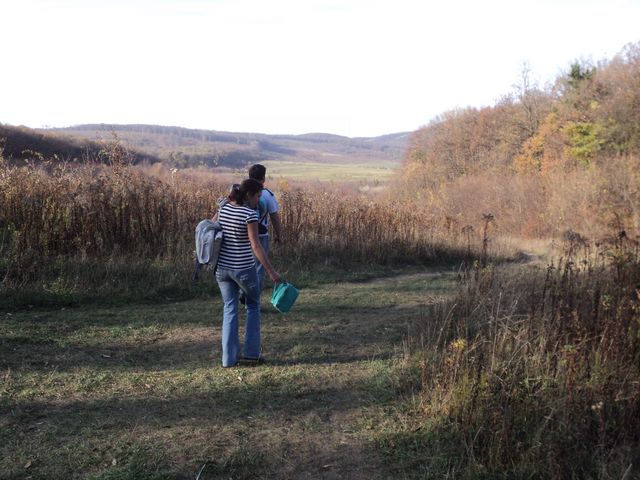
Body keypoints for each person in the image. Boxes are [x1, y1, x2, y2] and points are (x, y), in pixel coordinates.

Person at [215, 178, 281, 367]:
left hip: (222, 269)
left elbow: (211, 226)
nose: (258, 201)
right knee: (252, 306)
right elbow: (256, 245)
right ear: (249, 195)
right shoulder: (249, 214)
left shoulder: (223, 208)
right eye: (258, 196)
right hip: (243, 269)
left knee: (230, 308)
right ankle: (251, 354)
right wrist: (272, 272)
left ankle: (228, 359)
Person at [248, 164, 282, 293]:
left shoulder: (242, 191)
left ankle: (243, 293)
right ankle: (254, 297)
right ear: (263, 178)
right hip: (261, 235)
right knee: (259, 266)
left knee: (243, 265)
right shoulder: (267, 194)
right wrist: (279, 235)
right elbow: (274, 217)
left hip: (241, 235)